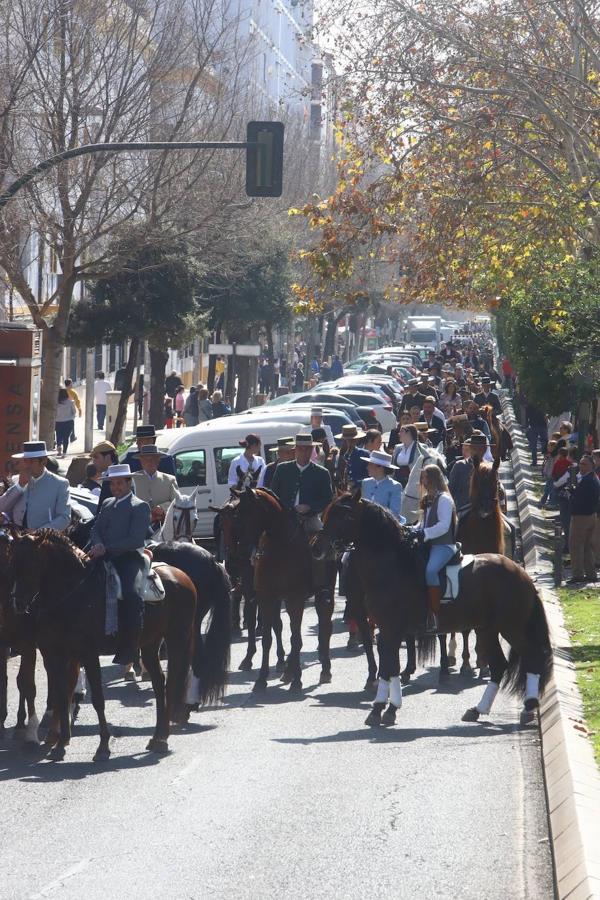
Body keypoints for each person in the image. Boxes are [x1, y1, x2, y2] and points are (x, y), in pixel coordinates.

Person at [88, 463, 151, 664]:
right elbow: (95, 529)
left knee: (132, 595)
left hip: (128, 558)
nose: (115, 487)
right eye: (112, 484)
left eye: (119, 483)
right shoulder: (107, 503)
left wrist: (107, 548)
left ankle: (130, 646)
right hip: (102, 555)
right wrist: (97, 544)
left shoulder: (139, 505)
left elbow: (136, 539)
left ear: (128, 482)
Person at [415, 463, 458, 632]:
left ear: (433, 478)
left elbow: (443, 526)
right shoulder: (428, 499)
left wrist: (424, 533)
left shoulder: (445, 499)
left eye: (425, 477)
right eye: (422, 477)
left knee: (430, 571)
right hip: (429, 543)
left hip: (443, 545)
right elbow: (423, 523)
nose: (423, 481)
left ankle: (434, 615)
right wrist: (414, 530)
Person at [271, 433, 333, 538]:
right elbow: (273, 494)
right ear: (295, 449)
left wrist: (310, 507)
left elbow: (327, 499)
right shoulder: (282, 469)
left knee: (323, 543)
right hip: (285, 517)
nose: (304, 452)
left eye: (307, 449)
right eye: (300, 448)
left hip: (310, 519)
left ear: (312, 449)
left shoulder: (322, 473)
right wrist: (287, 509)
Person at [9, 441, 71, 530]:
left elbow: (64, 518)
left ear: (44, 461)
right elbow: (5, 507)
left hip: (42, 540)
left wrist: (39, 533)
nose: (27, 465)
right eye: (25, 460)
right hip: (17, 537)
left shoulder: (60, 484)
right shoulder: (16, 480)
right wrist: (20, 485)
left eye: (31, 461)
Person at [566, 454, 600, 585]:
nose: (581, 466)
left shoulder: (588, 480)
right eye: (580, 463)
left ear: (592, 466)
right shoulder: (593, 478)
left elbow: (580, 500)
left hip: (582, 517)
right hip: (590, 516)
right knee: (587, 546)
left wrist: (570, 496)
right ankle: (591, 574)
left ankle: (578, 574)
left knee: (575, 546)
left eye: (584, 464)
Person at [131, 445, 179, 529]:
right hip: (139, 527)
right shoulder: (132, 479)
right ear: (141, 461)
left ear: (158, 461)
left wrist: (162, 507)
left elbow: (177, 502)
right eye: (146, 459)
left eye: (153, 459)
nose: (150, 462)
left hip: (164, 526)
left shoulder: (170, 480)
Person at [361, 450, 404, 521]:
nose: (367, 467)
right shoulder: (365, 482)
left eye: (370, 464)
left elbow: (394, 514)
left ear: (380, 467)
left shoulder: (395, 486)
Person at [0, 458, 29, 525]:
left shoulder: (54, 484)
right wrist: (20, 484)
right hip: (18, 529)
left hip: (41, 532)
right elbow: (3, 506)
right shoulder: (16, 480)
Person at [55, 388, 77, 457]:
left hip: (58, 422)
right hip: (69, 422)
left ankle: (59, 448)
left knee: (58, 435)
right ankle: (64, 453)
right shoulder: (71, 402)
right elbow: (74, 412)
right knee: (66, 437)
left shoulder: (56, 403)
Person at [64, 378, 82, 443]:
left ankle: (67, 437)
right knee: (71, 424)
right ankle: (72, 437)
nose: (72, 384)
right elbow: (77, 401)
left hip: (62, 410)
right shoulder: (73, 392)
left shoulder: (62, 391)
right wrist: (79, 409)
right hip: (71, 411)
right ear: (70, 384)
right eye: (71, 383)